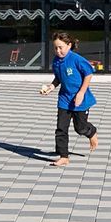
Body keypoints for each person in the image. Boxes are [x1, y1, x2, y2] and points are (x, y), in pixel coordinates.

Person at [43, 32, 98, 166]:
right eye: (55, 48)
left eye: (61, 47)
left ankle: (91, 132)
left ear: (69, 45)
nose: (58, 50)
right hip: (64, 99)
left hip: (81, 99)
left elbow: (88, 74)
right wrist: (51, 86)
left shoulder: (76, 59)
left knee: (80, 128)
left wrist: (81, 93)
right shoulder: (56, 61)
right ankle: (64, 156)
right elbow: (58, 78)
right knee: (61, 128)